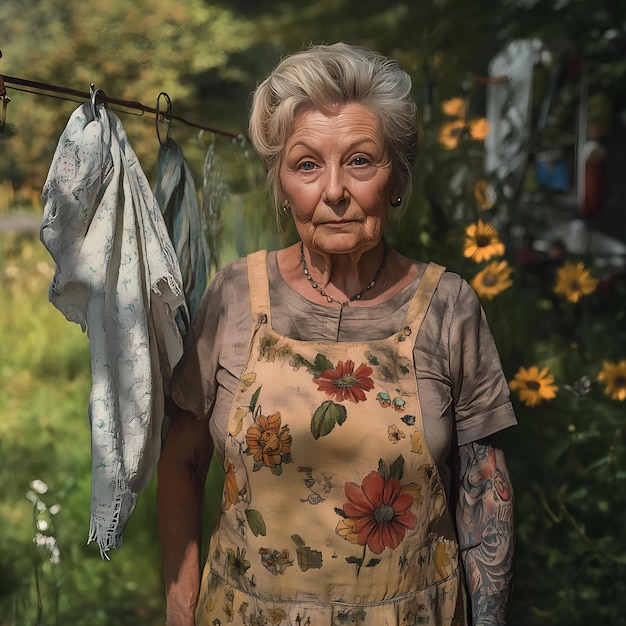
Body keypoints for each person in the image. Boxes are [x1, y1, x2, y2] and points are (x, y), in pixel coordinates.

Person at [157, 42, 516, 626]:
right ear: (281, 183)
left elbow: (484, 490)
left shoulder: (447, 306)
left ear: (396, 175)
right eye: (306, 165)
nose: (333, 192)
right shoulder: (233, 297)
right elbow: (181, 463)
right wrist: (180, 609)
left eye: (359, 161)